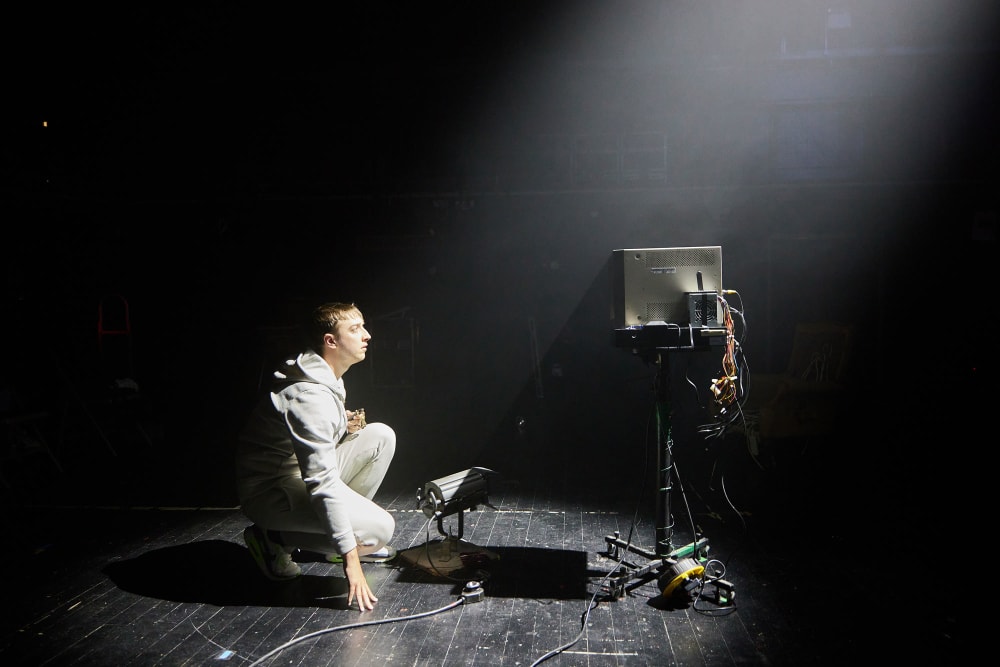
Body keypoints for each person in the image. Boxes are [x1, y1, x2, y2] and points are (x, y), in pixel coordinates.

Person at [236, 301, 397, 612]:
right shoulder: (309, 396)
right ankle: (274, 539)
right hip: (272, 491)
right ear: (330, 341)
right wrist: (351, 558)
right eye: (355, 329)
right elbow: (321, 482)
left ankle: (336, 535)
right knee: (379, 531)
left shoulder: (324, 375)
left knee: (381, 435)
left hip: (296, 474)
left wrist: (341, 423)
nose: (366, 335)